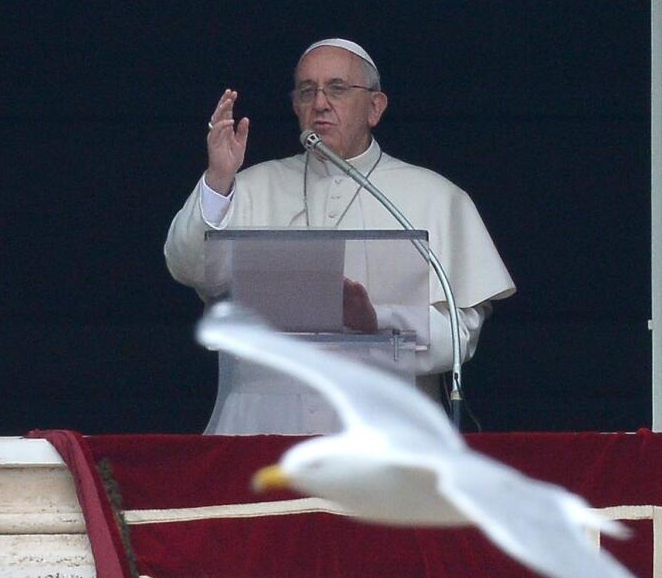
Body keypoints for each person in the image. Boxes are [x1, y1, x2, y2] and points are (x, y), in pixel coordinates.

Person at [165, 38, 515, 435]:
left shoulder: (435, 196)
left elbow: (460, 336)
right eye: (307, 91)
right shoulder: (248, 187)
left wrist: (377, 321)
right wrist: (218, 179)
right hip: (260, 428)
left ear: (375, 107)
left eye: (337, 88)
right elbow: (189, 267)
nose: (319, 103)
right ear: (295, 105)